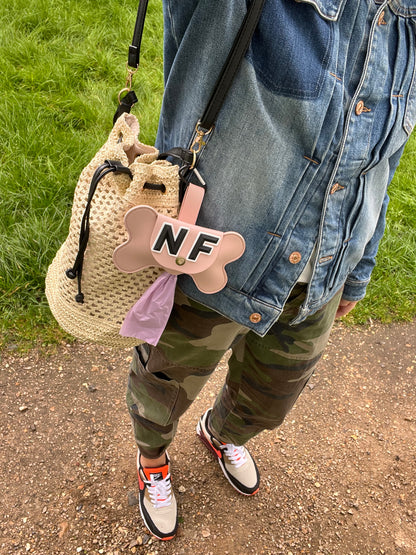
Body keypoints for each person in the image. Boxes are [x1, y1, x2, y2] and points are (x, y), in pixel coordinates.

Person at [126, 0, 415, 540]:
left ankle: (223, 433)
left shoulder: (409, 23)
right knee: (164, 384)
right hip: (213, 261)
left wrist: (360, 265)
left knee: (271, 395)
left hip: (323, 273)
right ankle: (152, 460)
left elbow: (385, 159)